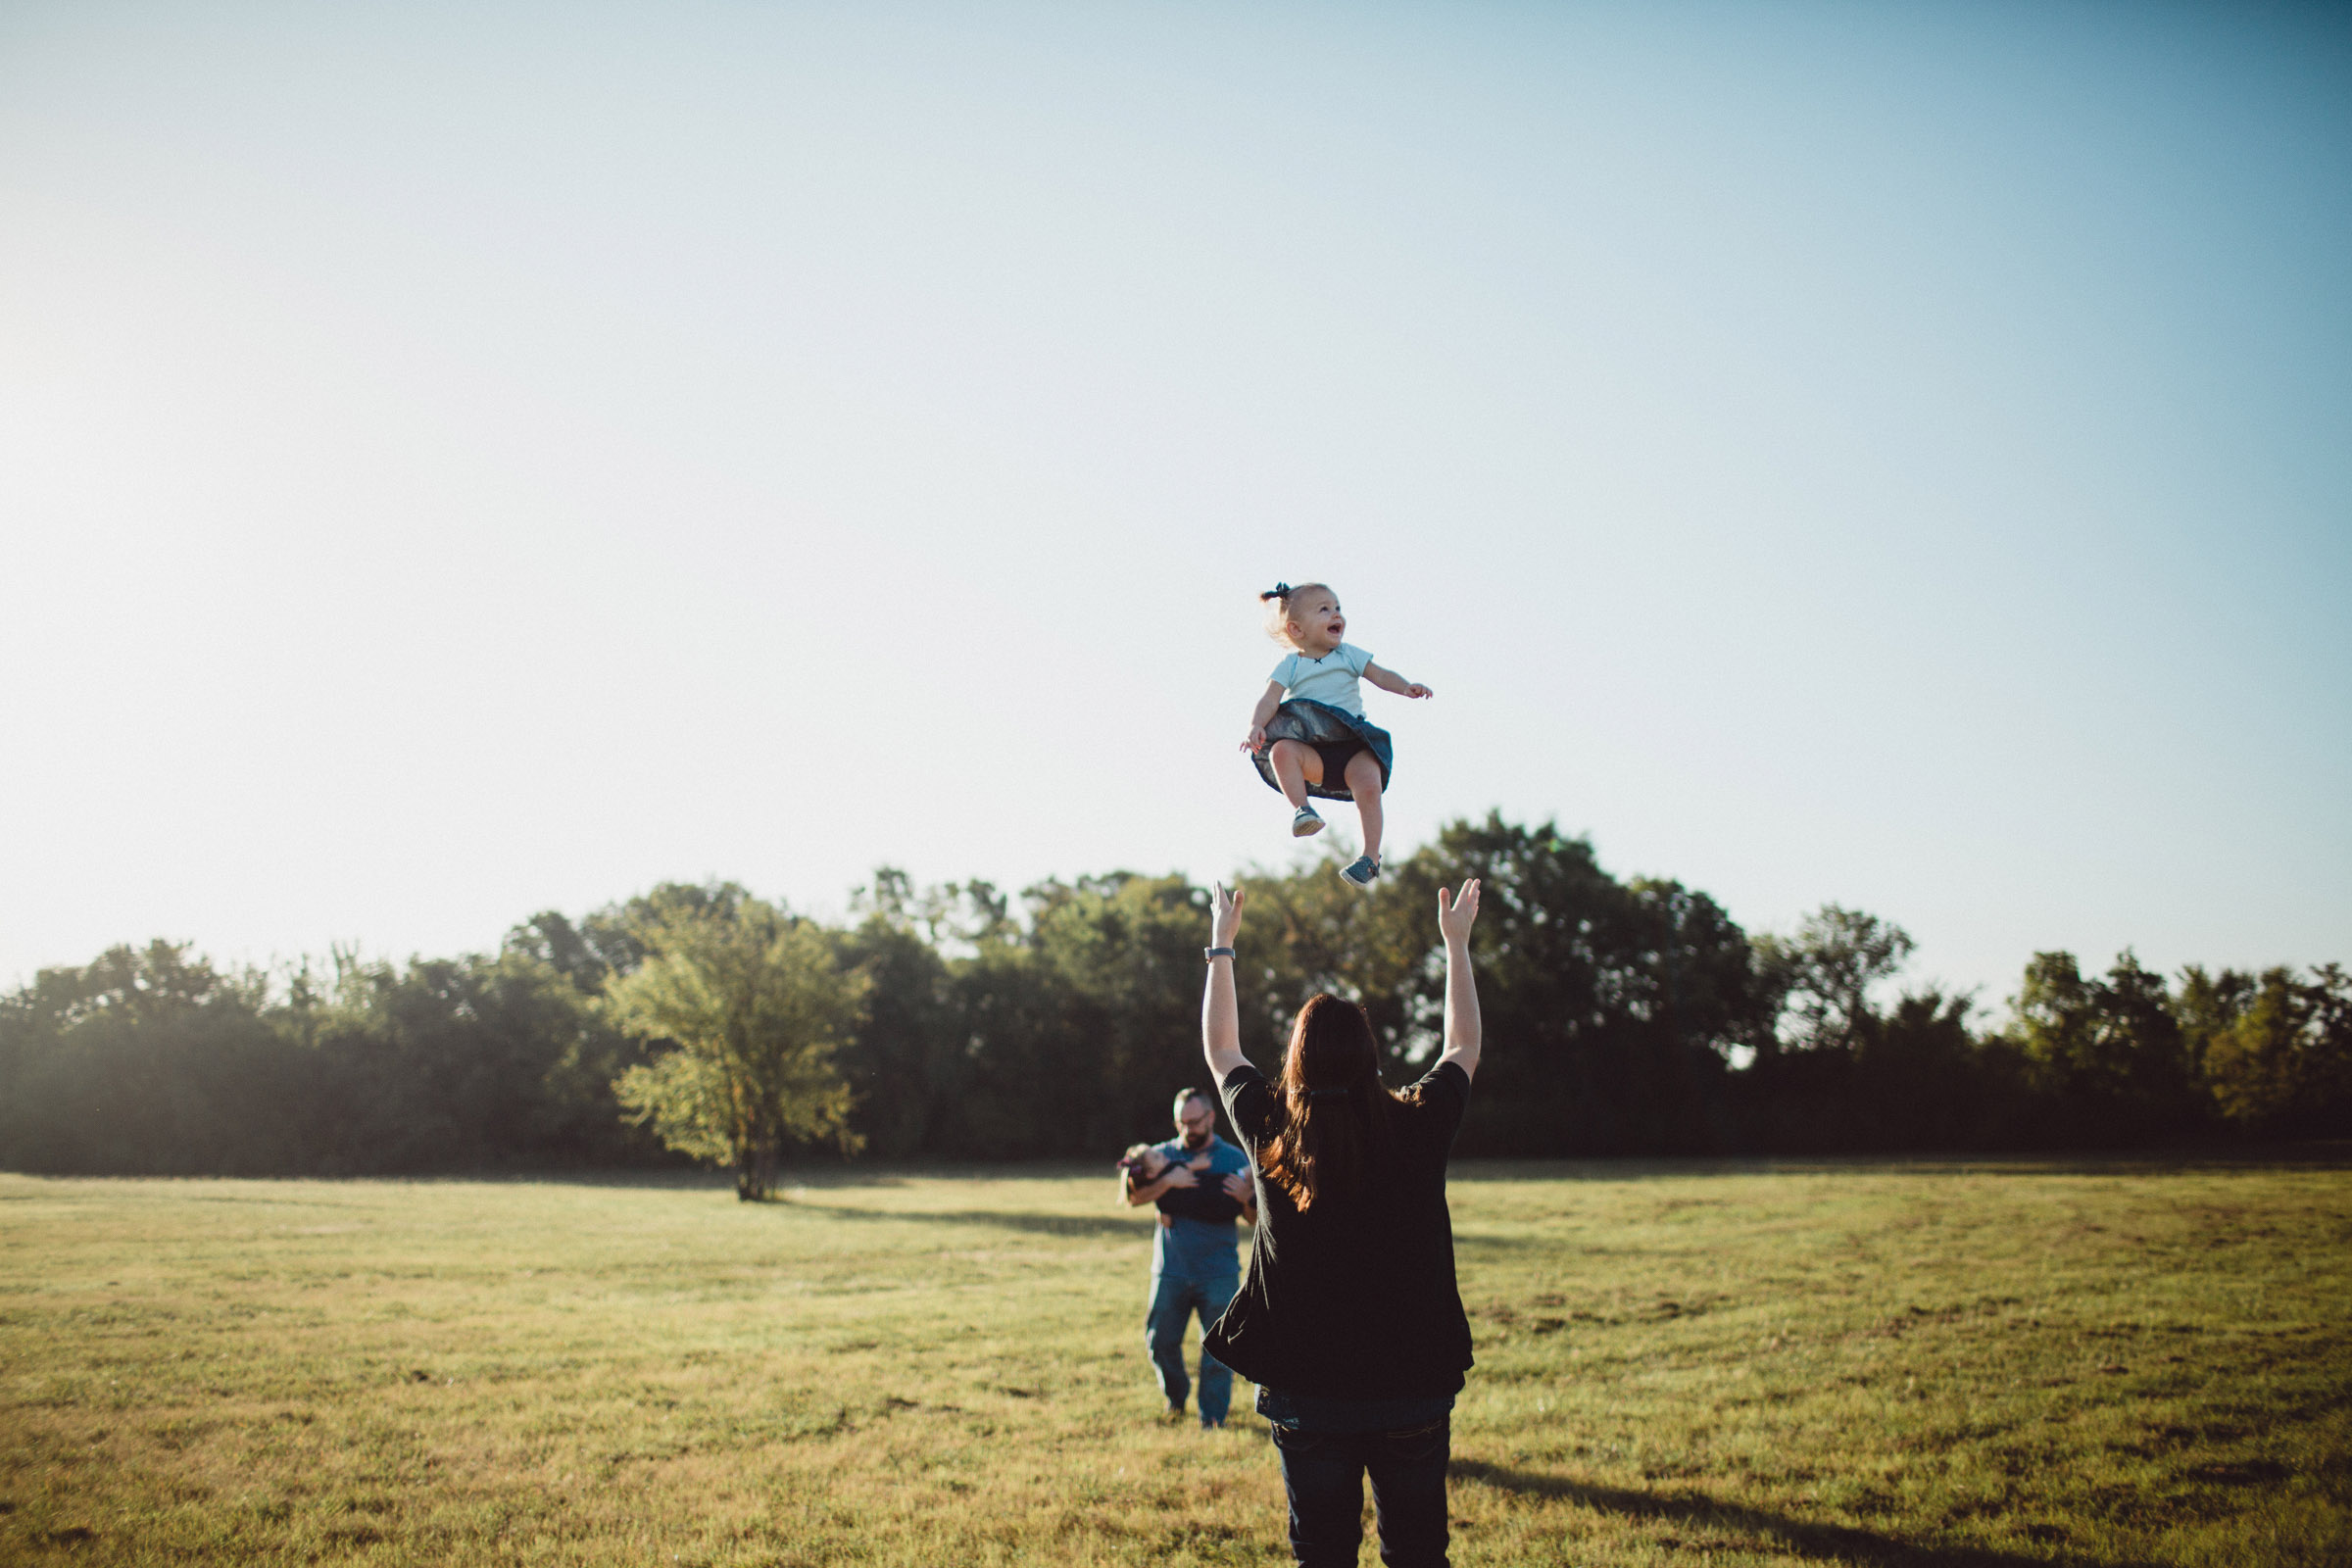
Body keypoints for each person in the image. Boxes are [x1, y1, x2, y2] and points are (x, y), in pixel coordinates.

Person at [1199, 877, 1483, 1568]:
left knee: (1322, 1558)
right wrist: (1455, 946)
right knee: (1418, 1556)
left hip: (1308, 1390)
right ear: (1370, 1057)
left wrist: (1222, 947)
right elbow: (1463, 1046)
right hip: (1413, 1384)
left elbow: (1222, 1050)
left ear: (1297, 1057)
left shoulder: (1270, 1126)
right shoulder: (1417, 1121)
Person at [1242, 582, 1433, 890]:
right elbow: (1269, 700)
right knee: (1281, 752)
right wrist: (1256, 725)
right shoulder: (1290, 665)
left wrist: (1406, 686)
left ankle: (1370, 858)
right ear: (1296, 629)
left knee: (1370, 785)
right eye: (1324, 610)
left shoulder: (1348, 655)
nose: (1336, 615)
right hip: (1315, 752)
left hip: (1353, 747)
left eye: (1338, 608)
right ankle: (1302, 810)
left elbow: (1381, 675)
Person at [1121, 1087, 1257, 1427]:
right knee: (1160, 1343)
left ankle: (1212, 1420)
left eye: (1194, 1122)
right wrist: (1168, 1183)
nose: (1188, 1129)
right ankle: (1176, 1398)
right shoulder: (1160, 1155)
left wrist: (1245, 1197)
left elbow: (1255, 1221)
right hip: (1170, 1271)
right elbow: (1134, 1197)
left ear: (1211, 1118)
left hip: (1218, 1272)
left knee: (1217, 1353)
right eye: (1182, 1123)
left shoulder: (1235, 1159)